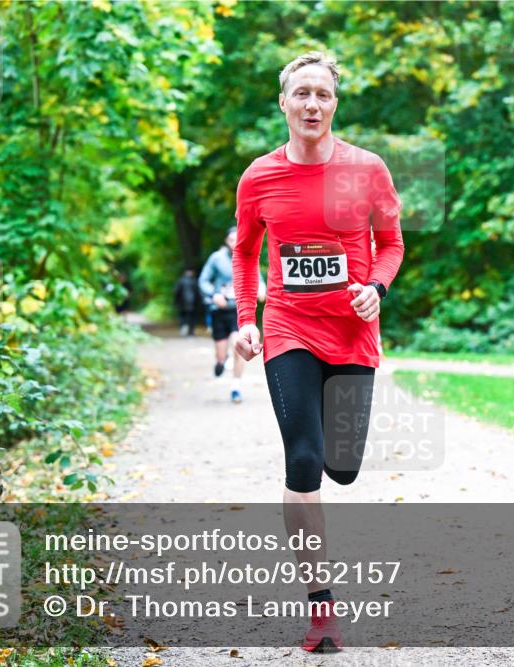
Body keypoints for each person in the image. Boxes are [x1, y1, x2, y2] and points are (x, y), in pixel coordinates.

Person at [231, 51, 404, 652]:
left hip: (353, 333)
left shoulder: (367, 168)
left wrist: (376, 288)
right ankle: (321, 608)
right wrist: (245, 319)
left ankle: (333, 465)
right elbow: (245, 252)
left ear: (335, 104)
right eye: (301, 93)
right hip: (289, 328)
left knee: (343, 468)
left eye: (322, 94)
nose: (312, 104)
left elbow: (392, 243)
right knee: (303, 461)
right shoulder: (258, 177)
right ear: (283, 102)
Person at [199, 227, 265, 402]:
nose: (235, 243)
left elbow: (258, 277)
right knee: (221, 355)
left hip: (239, 311)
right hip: (219, 311)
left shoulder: (248, 255)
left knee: (239, 346)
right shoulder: (216, 258)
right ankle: (221, 361)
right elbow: (203, 280)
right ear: (226, 241)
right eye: (231, 240)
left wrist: (261, 289)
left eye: (237, 239)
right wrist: (214, 294)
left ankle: (236, 387)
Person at [172, 268, 200, 336]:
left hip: (182, 303)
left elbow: (176, 292)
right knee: (191, 317)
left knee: (183, 316)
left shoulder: (180, 280)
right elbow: (198, 293)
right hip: (192, 303)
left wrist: (176, 301)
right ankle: (190, 331)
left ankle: (184, 326)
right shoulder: (194, 281)